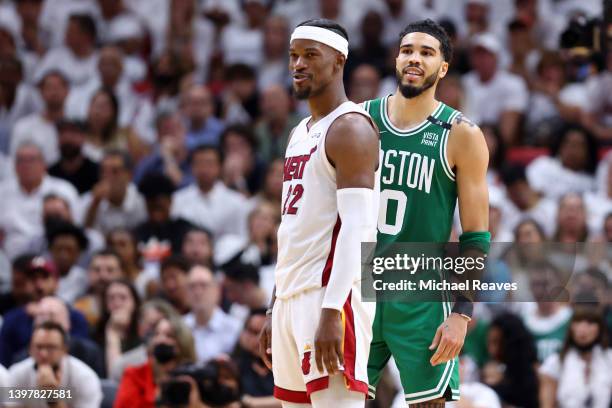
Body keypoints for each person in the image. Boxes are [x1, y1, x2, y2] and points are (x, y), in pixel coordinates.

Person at [362, 19, 489, 406]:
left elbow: (476, 237)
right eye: (407, 50)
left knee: (428, 404)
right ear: (396, 59)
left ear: (444, 68)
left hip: (418, 291)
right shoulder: (358, 121)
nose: (414, 58)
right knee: (334, 401)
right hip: (355, 284)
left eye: (426, 52)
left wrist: (461, 314)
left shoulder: (460, 134)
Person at [258, 18, 379, 407]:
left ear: (338, 60)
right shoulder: (300, 132)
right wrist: (275, 304)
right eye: (294, 56)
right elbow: (295, 228)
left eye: (311, 55)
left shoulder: (351, 128)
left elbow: (359, 229)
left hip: (331, 297)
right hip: (292, 297)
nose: (298, 65)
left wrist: (331, 310)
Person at [8, 321, 102, 408]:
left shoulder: (85, 378)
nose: (43, 354)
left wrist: (53, 398)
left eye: (51, 347)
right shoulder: (17, 373)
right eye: (39, 347)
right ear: (30, 349)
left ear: (64, 350)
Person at [114, 316, 196, 408]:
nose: (160, 339)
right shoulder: (134, 375)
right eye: (157, 334)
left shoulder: (191, 378)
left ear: (182, 343)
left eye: (169, 336)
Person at [539, 306, 612, 408]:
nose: (582, 329)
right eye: (578, 322)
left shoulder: (609, 360)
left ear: (599, 328)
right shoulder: (555, 363)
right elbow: (547, 404)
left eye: (590, 323)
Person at [184, 265, 242, 363]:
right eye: (192, 286)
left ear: (217, 290)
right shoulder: (180, 327)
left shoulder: (235, 328)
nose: (198, 292)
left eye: (204, 285)